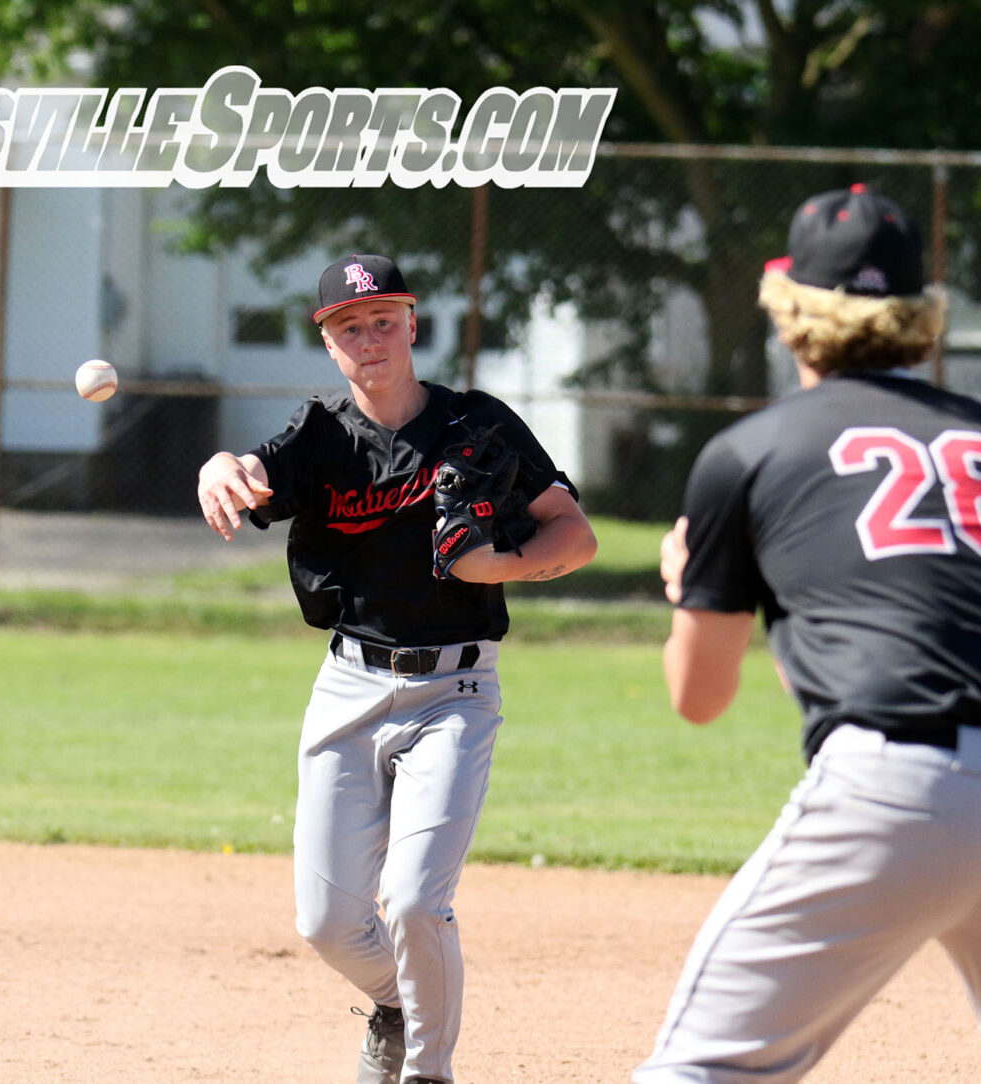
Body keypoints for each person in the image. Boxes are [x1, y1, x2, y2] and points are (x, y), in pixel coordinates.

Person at [635, 186, 981, 1083]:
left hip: (892, 787)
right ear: (918, 313)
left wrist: (685, 588)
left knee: (701, 1070)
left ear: (790, 312)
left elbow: (700, 700)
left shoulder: (748, 450)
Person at [197, 253, 597, 1084]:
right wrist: (217, 467)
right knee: (326, 924)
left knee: (416, 900)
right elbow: (256, 473)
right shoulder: (324, 435)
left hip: (455, 689)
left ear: (413, 324)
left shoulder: (477, 426)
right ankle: (397, 1001)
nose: (370, 338)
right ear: (329, 344)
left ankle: (427, 1069)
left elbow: (575, 532)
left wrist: (498, 567)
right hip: (348, 686)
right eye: (350, 326)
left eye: (384, 319)